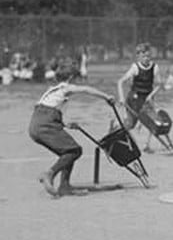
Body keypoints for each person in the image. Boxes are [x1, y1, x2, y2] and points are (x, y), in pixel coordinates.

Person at [29, 67, 114, 197]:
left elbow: (47, 110)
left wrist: (64, 124)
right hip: (46, 124)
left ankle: (65, 187)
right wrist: (106, 97)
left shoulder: (51, 91)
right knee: (74, 150)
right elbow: (86, 89)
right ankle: (50, 174)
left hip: (35, 126)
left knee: (67, 153)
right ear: (70, 78)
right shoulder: (65, 88)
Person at [117, 43, 163, 151]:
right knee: (130, 124)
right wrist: (121, 98)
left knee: (153, 122)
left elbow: (160, 85)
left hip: (147, 99)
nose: (146, 59)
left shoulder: (155, 67)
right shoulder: (135, 67)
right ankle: (115, 132)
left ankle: (147, 145)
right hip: (134, 99)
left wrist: (151, 95)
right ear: (138, 56)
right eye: (144, 56)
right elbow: (120, 82)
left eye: (148, 56)